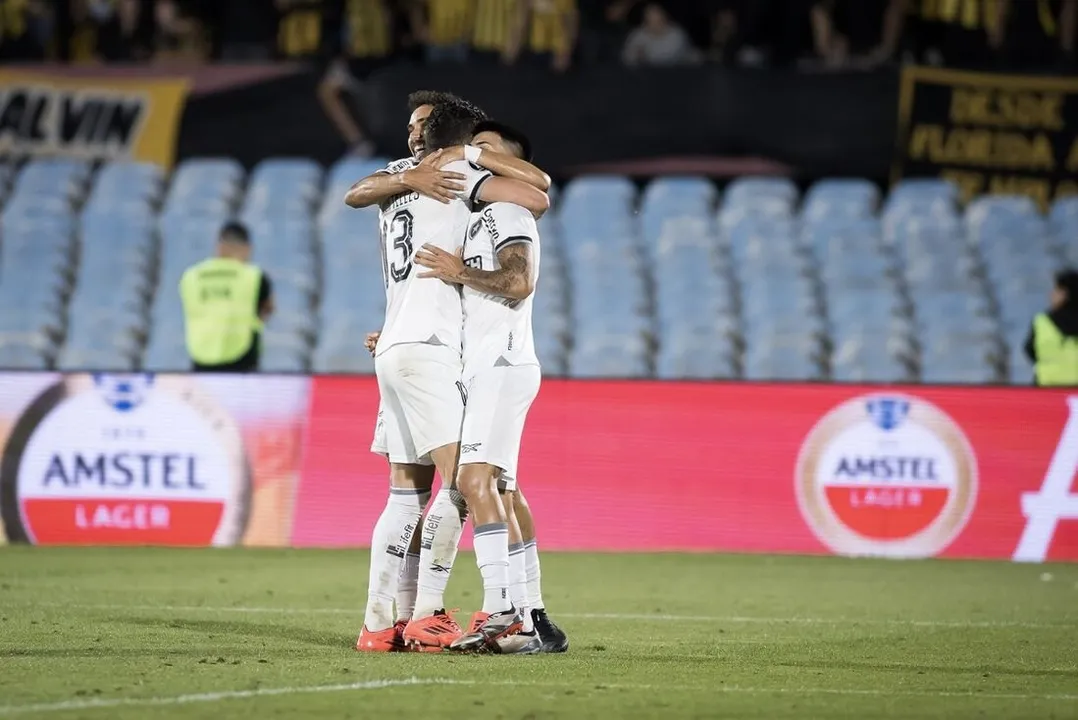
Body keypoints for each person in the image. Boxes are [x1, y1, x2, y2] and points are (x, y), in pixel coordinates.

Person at [353, 92, 567, 654]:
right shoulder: (456, 173)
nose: (409, 136)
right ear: (463, 140)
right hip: (430, 348)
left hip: (395, 345)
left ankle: (381, 625)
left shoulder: (398, 175)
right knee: (463, 486)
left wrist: (412, 178)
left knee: (405, 495)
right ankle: (438, 614)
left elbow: (355, 193)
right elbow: (536, 192)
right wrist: (481, 162)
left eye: (416, 125)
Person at [413, 120, 547, 654]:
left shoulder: (507, 210)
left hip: (502, 363)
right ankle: (530, 618)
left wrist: (457, 272)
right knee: (503, 492)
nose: (477, 157)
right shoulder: (476, 219)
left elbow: (518, 283)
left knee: (472, 482)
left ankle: (503, 610)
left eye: (489, 150)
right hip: (484, 364)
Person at [179, 221, 274, 373]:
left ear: (219, 247)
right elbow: (267, 310)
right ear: (246, 248)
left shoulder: (191, 276)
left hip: (200, 358)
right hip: (242, 362)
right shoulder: (254, 277)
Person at [1024, 269, 1078, 386]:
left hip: (1048, 395)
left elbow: (1030, 351)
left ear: (1065, 294)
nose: (1051, 294)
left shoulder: (1042, 323)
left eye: (1056, 290)